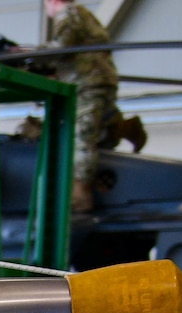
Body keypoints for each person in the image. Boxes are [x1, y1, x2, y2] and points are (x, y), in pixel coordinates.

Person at [34, 0, 119, 215]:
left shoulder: (68, 14)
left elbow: (62, 46)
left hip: (87, 83)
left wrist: (29, 55)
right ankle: (124, 127)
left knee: (82, 137)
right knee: (95, 129)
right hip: (97, 80)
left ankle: (79, 195)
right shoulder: (83, 13)